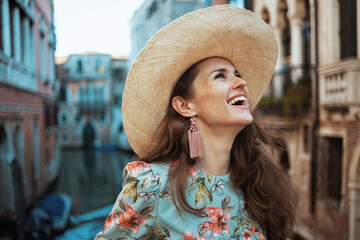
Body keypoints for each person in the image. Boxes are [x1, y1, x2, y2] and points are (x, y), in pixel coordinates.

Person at [95, 5, 297, 240]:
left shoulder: (258, 184)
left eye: (238, 74)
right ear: (185, 106)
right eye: (220, 76)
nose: (241, 83)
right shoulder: (151, 185)